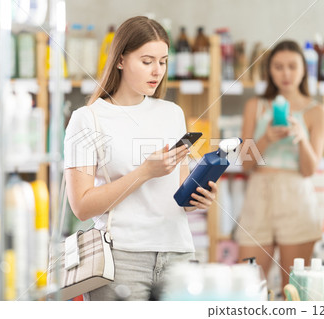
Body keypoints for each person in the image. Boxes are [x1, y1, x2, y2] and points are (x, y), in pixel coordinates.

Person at [63, 16, 217, 301]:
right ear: (120, 60)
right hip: (121, 260)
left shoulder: (173, 113)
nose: (157, 71)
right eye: (147, 61)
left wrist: (198, 196)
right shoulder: (88, 119)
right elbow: (82, 206)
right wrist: (145, 172)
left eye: (163, 61)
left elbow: (178, 194)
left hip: (178, 254)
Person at [234, 40, 324, 295]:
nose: (285, 74)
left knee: (294, 290)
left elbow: (310, 170)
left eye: (292, 66)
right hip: (259, 194)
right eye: (278, 67)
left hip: (296, 195)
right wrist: (266, 139)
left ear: (303, 70)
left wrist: (302, 138)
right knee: (250, 287)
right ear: (269, 71)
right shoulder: (255, 106)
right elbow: (246, 163)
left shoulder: (317, 111)